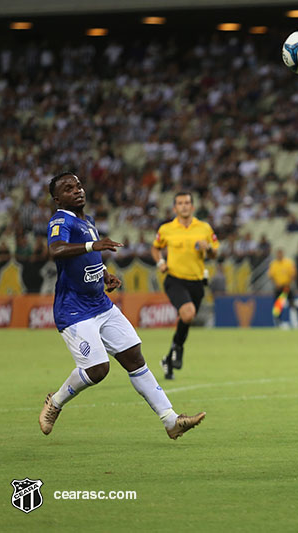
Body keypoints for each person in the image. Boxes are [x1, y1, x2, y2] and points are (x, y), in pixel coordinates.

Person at [40, 172, 205, 439]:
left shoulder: (87, 221)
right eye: (69, 189)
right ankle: (55, 403)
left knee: (134, 358)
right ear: (58, 199)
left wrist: (104, 273)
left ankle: (171, 421)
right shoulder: (61, 219)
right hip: (74, 310)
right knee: (98, 369)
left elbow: (88, 255)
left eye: (79, 185)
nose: (78, 191)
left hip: (100, 304)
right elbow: (56, 250)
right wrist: (94, 244)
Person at [151, 192, 219, 380]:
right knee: (188, 314)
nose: (184, 206)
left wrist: (209, 249)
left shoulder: (204, 228)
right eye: (180, 203)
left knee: (186, 319)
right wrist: (160, 263)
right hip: (175, 279)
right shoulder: (166, 229)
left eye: (187, 202)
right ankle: (178, 349)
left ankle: (168, 358)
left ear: (193, 206)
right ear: (175, 208)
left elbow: (215, 253)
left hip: (197, 281)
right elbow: (155, 247)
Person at [267, 248, 298, 327]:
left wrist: (289, 283)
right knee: (278, 306)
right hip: (278, 288)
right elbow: (271, 276)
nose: (279, 255)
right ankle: (278, 322)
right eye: (278, 254)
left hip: (286, 287)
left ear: (283, 254)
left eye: (280, 253)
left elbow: (293, 274)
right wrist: (275, 284)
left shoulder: (288, 263)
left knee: (292, 304)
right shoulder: (273, 264)